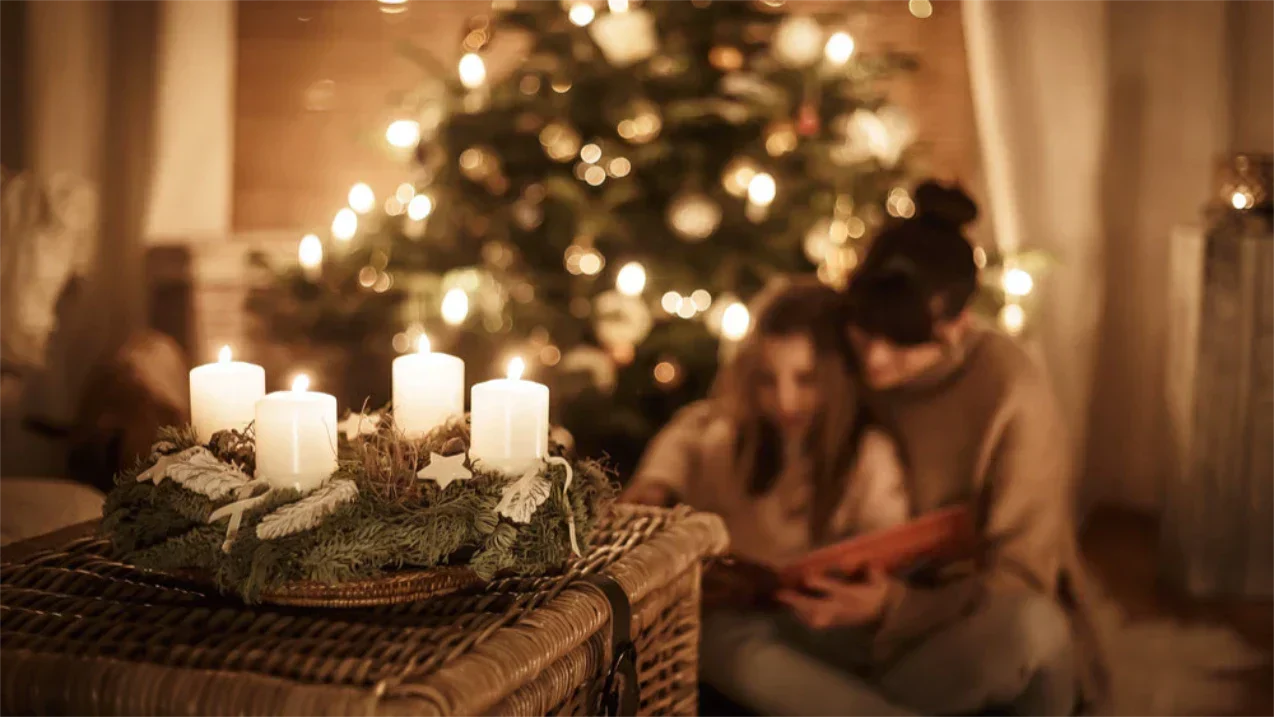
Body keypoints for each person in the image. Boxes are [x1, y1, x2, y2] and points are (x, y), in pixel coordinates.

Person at [768, 181, 1107, 717]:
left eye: (903, 342)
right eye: (866, 331)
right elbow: (724, 411)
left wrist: (892, 606)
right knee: (723, 638)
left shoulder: (1011, 392)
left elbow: (1022, 579)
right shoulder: (844, 348)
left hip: (966, 629)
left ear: (957, 327)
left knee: (1031, 627)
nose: (876, 359)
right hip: (852, 624)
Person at [623, 277, 916, 716]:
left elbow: (887, 551)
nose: (785, 400)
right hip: (746, 618)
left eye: (805, 379)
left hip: (828, 628)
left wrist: (871, 597)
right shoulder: (731, 438)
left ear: (836, 378)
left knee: (729, 645)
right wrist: (656, 484)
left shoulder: (869, 457)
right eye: (767, 380)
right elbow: (692, 429)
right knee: (712, 637)